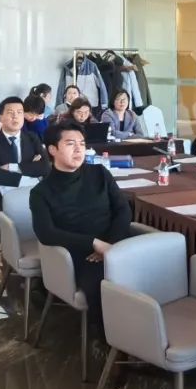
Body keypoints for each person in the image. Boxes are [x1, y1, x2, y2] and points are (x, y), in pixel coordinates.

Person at [30, 121, 132, 317]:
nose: (79, 149)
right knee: (104, 284)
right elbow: (46, 233)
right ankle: (105, 334)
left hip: (116, 242)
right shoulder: (41, 192)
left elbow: (123, 210)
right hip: (81, 254)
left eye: (82, 144)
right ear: (52, 149)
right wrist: (94, 244)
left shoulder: (99, 173)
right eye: (70, 144)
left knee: (151, 268)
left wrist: (110, 244)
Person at [0, 96, 50, 227]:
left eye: (19, 112)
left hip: (33, 194)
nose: (15, 117)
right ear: (0, 118)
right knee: (12, 226)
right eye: (10, 113)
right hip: (1, 197)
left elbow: (45, 167)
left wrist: (13, 167)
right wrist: (29, 176)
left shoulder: (32, 138)